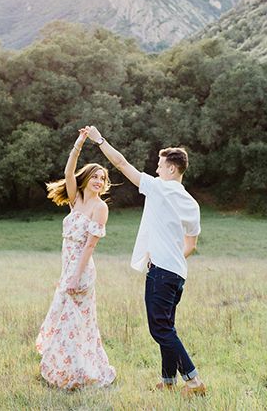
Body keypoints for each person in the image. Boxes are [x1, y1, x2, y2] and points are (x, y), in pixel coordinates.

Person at [86, 125, 206, 397]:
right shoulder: (192, 203)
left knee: (160, 329)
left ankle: (194, 381)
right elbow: (191, 244)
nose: (156, 171)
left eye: (160, 166)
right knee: (167, 327)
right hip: (177, 274)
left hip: (162, 273)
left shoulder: (160, 188)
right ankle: (167, 381)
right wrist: (170, 257)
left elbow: (120, 162)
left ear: (172, 169)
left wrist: (99, 139)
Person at [36, 128, 116, 390]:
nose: (98, 180)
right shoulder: (76, 199)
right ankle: (65, 371)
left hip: (81, 270)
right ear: (87, 179)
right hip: (67, 267)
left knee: (74, 322)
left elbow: (90, 247)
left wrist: (75, 276)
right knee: (66, 320)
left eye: (102, 178)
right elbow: (69, 172)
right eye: (94, 176)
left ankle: (78, 375)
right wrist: (80, 143)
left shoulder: (100, 208)